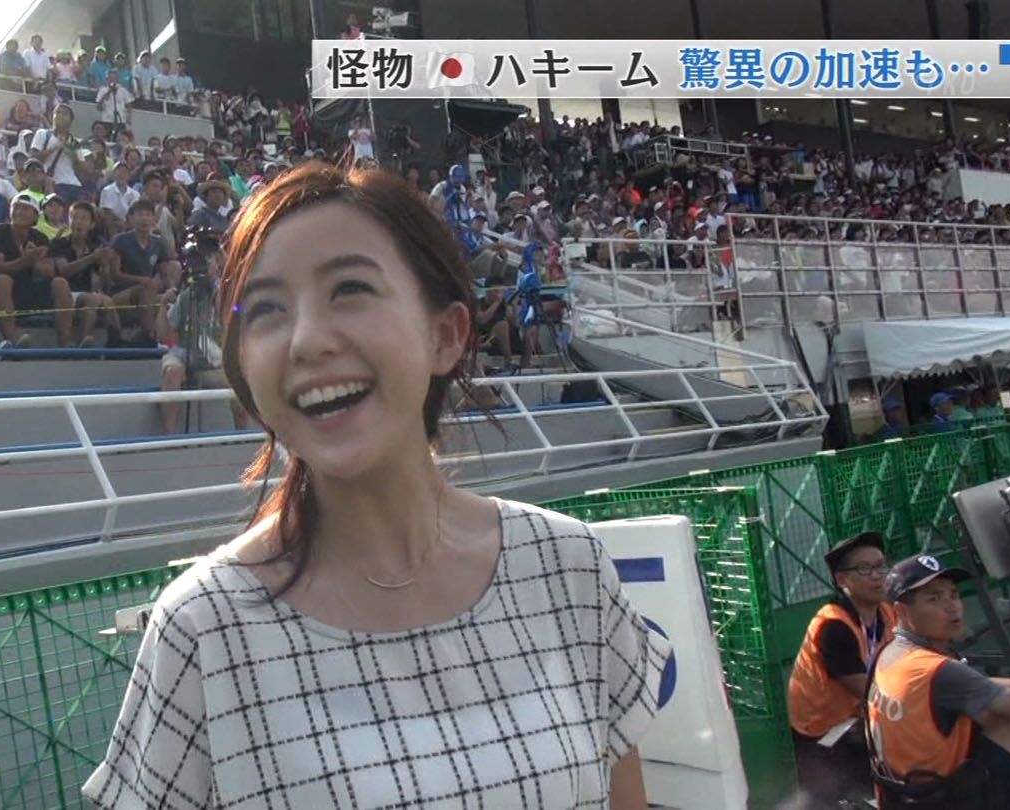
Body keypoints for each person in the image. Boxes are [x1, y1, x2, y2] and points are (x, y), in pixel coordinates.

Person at [82, 164, 669, 808]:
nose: (306, 342)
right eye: (267, 309)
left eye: (351, 289)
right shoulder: (202, 627)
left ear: (445, 335)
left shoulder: (568, 566)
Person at [867, 555, 1010, 810]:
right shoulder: (937, 669)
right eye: (934, 599)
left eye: (954, 595)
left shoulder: (892, 652)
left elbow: (982, 684)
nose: (952, 606)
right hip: (940, 801)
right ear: (901, 611)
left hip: (903, 795)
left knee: (1009, 716)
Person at [788, 532, 898, 808]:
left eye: (881, 566)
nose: (878, 576)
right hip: (825, 732)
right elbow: (866, 690)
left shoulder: (887, 613)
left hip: (859, 717)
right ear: (842, 580)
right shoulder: (833, 625)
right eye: (865, 569)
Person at [156, 229, 246, 434]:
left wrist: (220, 277)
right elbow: (164, 336)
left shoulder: (227, 292)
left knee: (238, 384)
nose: (203, 266)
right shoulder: (186, 295)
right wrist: (162, 306)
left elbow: (230, 313)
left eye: (209, 261)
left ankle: (241, 435)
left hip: (213, 359)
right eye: (201, 261)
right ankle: (169, 436)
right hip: (183, 353)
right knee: (172, 372)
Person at [0, 194, 52, 348]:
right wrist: (25, 260)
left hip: (25, 287)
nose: (19, 212)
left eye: (25, 209)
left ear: (35, 217)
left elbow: (48, 271)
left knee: (59, 283)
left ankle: (68, 343)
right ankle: (14, 340)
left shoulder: (40, 238)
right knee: (4, 280)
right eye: (16, 207)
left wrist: (35, 261)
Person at [43, 200, 118, 347]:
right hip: (63, 294)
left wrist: (104, 265)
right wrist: (91, 258)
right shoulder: (59, 243)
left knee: (101, 300)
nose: (78, 222)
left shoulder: (95, 246)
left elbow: (105, 284)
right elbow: (63, 270)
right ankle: (83, 343)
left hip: (86, 294)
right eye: (74, 217)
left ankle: (93, 342)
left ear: (92, 225)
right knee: (92, 298)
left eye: (83, 218)